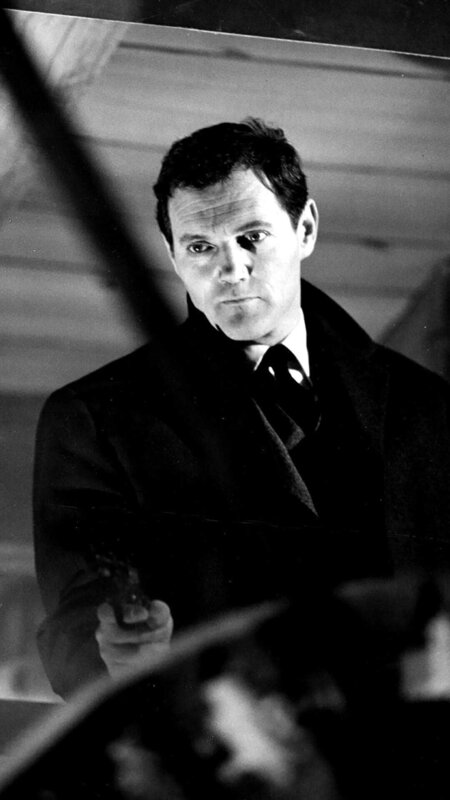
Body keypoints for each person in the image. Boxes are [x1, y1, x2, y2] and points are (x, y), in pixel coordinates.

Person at [33, 119, 450, 698]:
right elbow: (75, 624)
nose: (230, 271)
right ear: (173, 255)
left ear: (305, 229)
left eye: (251, 237)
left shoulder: (429, 408)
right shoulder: (95, 418)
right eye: (200, 247)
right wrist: (116, 655)